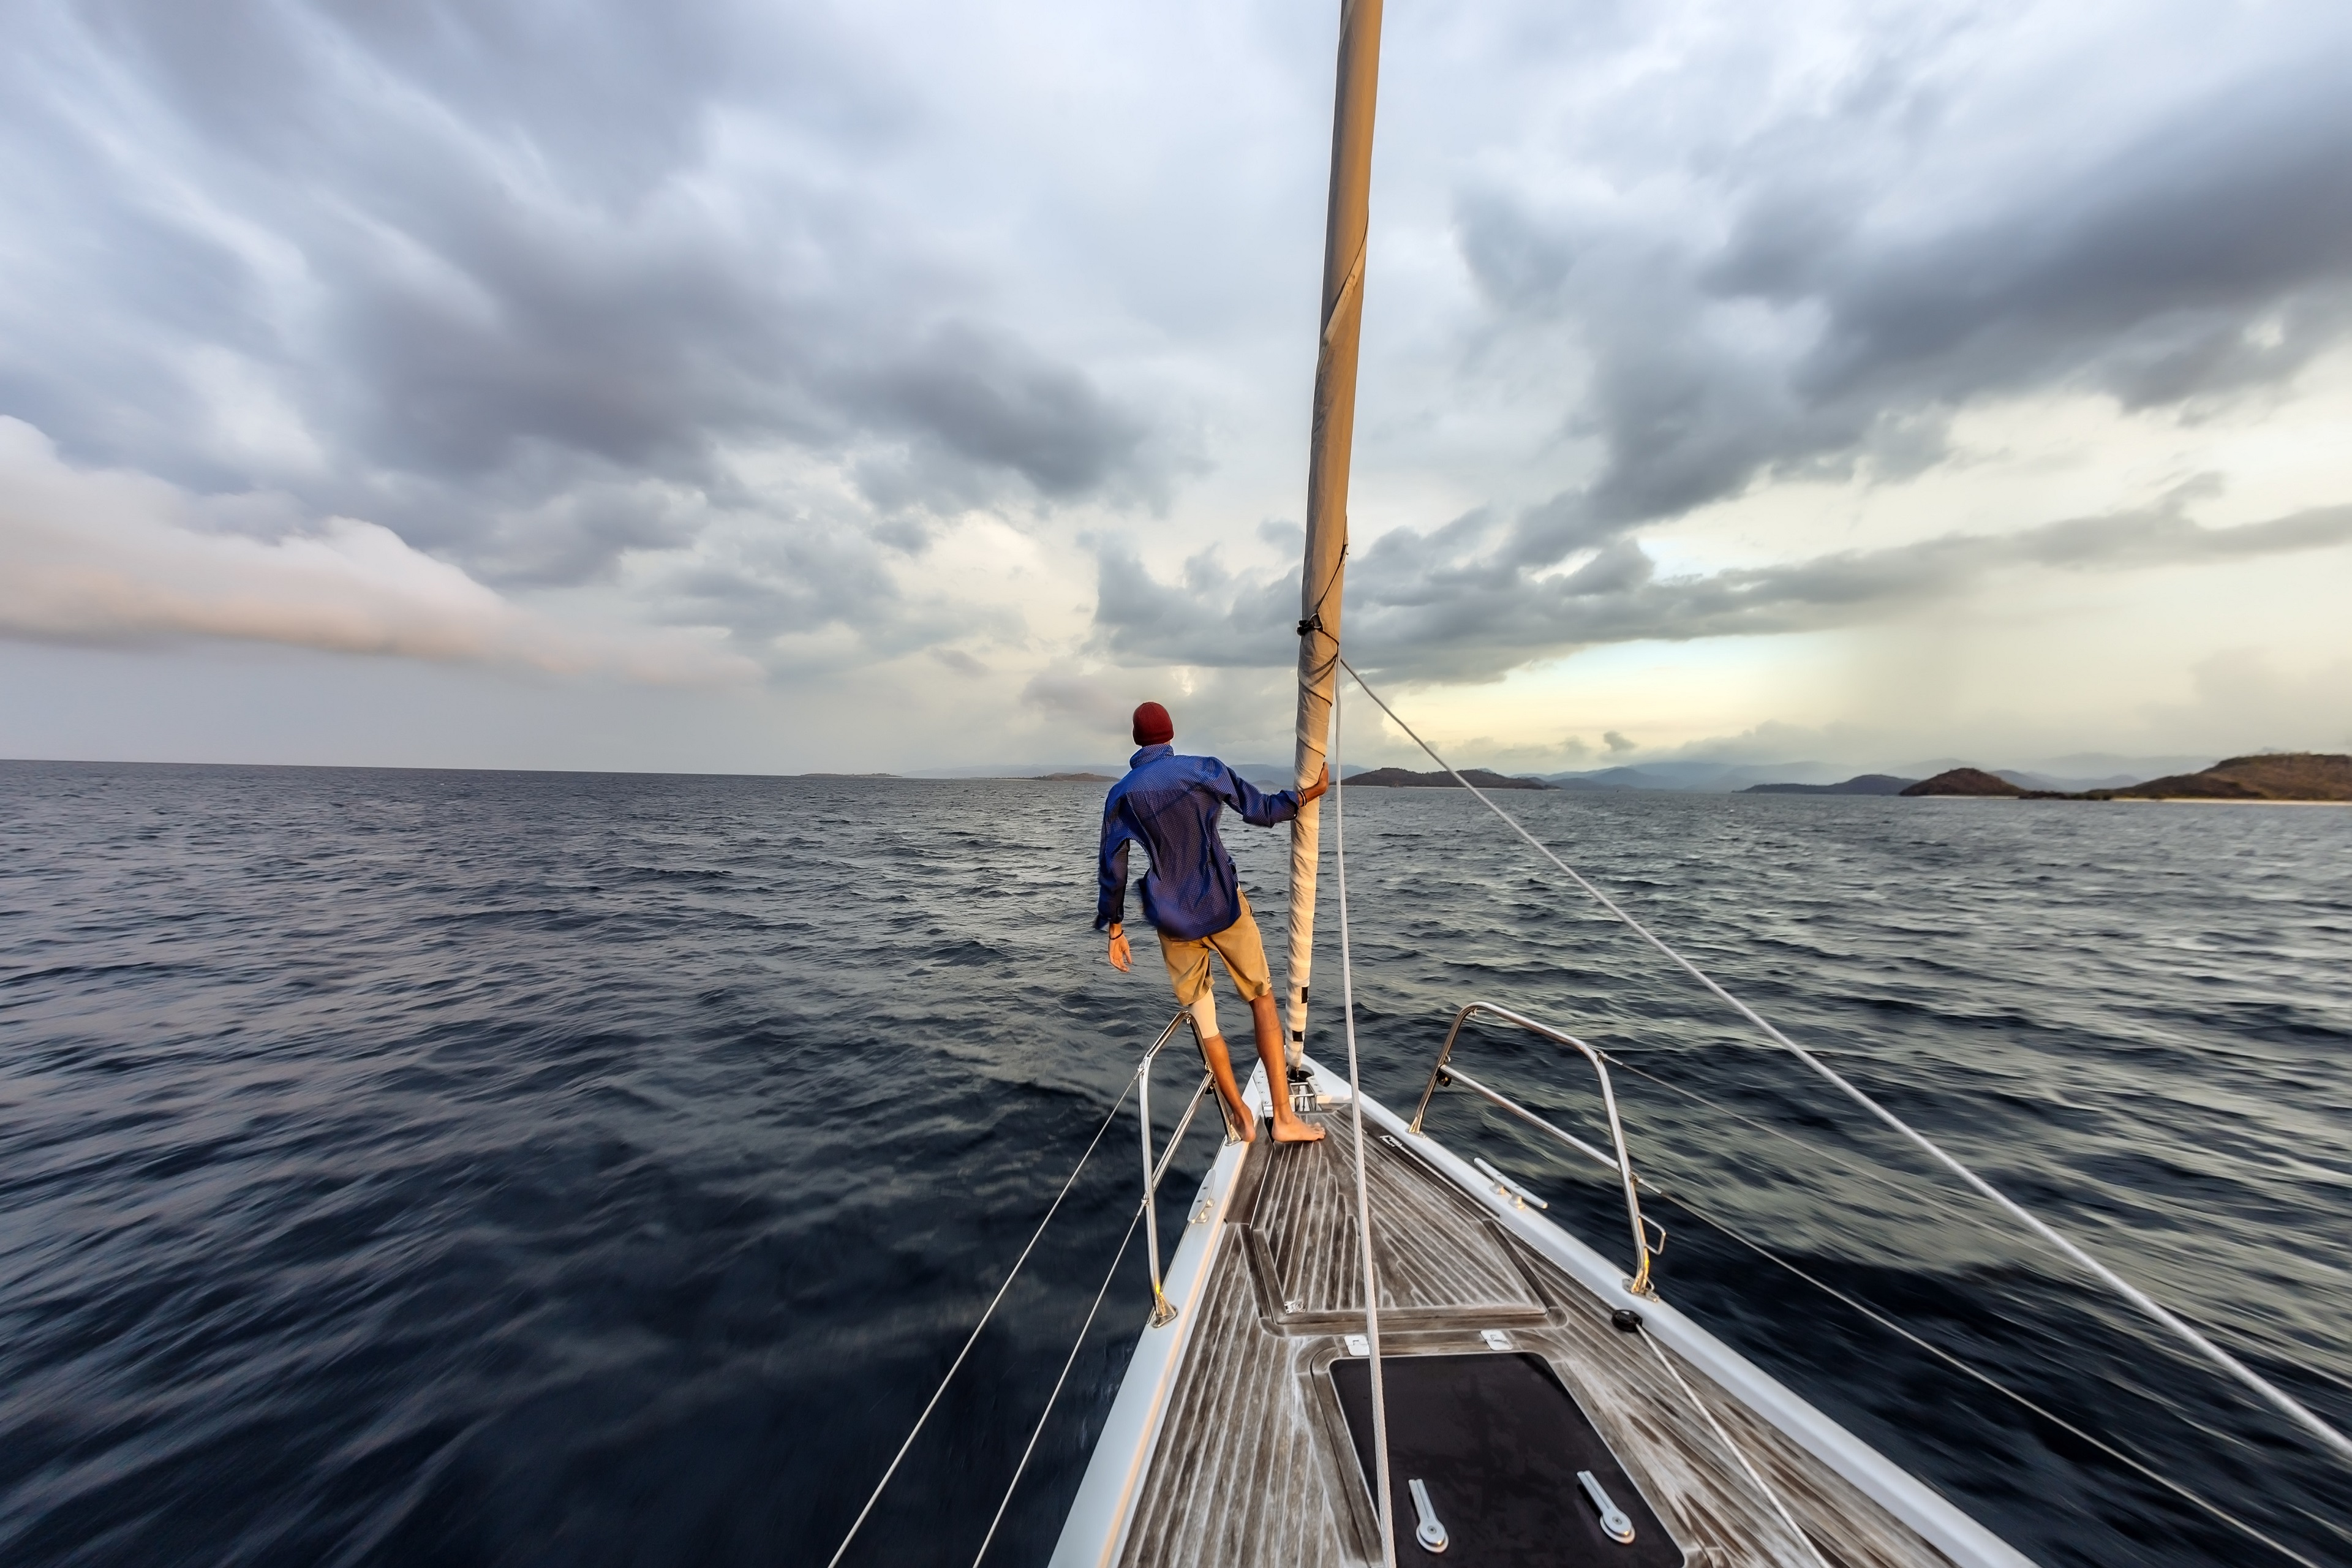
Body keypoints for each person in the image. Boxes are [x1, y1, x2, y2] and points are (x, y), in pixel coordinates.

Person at [1098, 701, 1330, 1144]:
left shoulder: (1122, 794)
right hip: (1222, 902)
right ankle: (1282, 1119)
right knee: (1261, 999)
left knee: (1207, 1023)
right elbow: (1260, 810)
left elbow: (1115, 865)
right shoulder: (1203, 769)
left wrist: (1115, 929)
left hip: (1172, 919)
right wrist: (1306, 795)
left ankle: (1240, 1114)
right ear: (1169, 734)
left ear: (1135, 740)